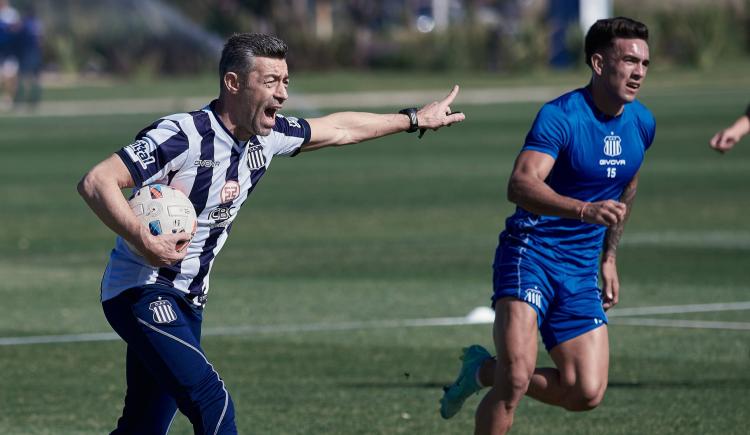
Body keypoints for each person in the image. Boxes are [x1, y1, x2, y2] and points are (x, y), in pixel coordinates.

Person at [78, 33, 464, 434]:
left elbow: (339, 128)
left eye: (285, 82)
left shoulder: (267, 136)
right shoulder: (183, 136)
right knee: (214, 403)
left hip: (189, 298)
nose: (281, 95)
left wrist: (414, 119)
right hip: (142, 290)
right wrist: (144, 238)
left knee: (143, 427)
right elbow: (97, 181)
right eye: (269, 82)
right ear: (233, 83)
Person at [439, 17, 654, 434]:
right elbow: (520, 184)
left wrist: (609, 256)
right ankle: (497, 376)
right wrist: (583, 210)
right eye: (628, 60)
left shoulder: (642, 123)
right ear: (597, 62)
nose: (639, 71)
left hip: (581, 267)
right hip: (531, 255)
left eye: (644, 63)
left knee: (586, 392)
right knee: (515, 379)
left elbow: (628, 180)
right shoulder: (561, 116)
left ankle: (481, 370)